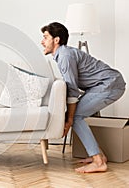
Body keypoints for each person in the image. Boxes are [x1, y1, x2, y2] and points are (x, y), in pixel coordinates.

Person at [40, 22, 126, 173]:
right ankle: (99, 156)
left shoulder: (65, 56)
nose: (42, 41)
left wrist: (69, 119)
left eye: (46, 37)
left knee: (77, 116)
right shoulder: (63, 55)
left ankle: (98, 161)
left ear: (56, 40)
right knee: (75, 115)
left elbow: (72, 91)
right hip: (104, 84)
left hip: (110, 84)